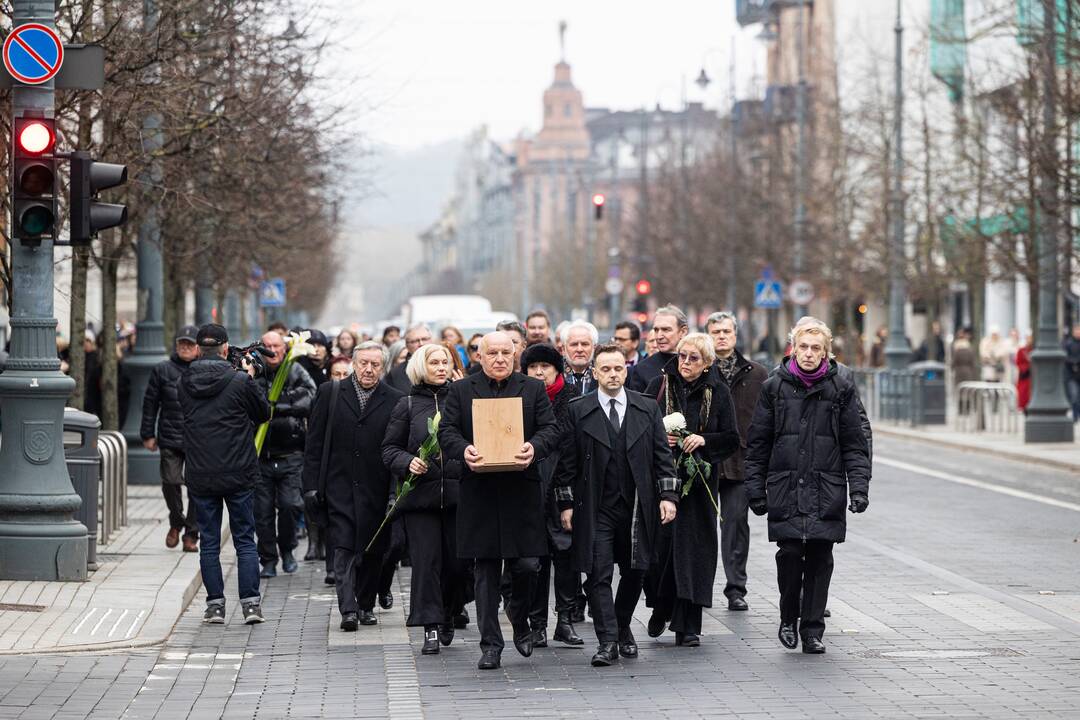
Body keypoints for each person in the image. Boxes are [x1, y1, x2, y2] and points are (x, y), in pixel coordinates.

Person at [745, 317, 871, 655]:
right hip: (785, 485)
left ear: (827, 354)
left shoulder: (840, 388)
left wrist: (859, 488)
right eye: (804, 347)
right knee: (788, 555)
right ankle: (789, 616)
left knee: (820, 557)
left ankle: (813, 629)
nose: (809, 354)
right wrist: (755, 489)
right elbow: (758, 442)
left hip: (825, 486)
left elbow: (854, 443)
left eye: (817, 349)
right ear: (793, 348)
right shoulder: (774, 387)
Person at [438, 331, 560, 670]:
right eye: (492, 352)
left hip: (521, 489)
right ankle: (490, 644)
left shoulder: (532, 388)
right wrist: (464, 451)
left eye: (507, 352)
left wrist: (533, 447)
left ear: (516, 354)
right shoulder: (461, 390)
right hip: (479, 491)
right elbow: (446, 431)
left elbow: (550, 430)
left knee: (526, 566)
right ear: (479, 355)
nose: (500, 358)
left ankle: (519, 621)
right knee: (486, 571)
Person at [555, 343, 680, 666]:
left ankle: (621, 625)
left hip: (638, 504)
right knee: (597, 574)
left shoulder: (646, 407)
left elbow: (661, 456)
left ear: (626, 370)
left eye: (618, 368)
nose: (613, 374)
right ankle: (608, 641)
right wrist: (566, 504)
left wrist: (668, 496)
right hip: (595, 505)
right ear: (595, 373)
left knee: (636, 569)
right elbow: (567, 462)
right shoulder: (578, 409)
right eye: (606, 369)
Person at [643, 333, 739, 646]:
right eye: (682, 356)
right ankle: (662, 603)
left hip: (699, 484)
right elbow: (640, 425)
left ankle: (688, 626)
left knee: (694, 553)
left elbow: (731, 437)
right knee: (662, 550)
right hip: (663, 479)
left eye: (694, 358)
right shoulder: (659, 386)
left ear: (707, 363)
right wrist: (661, 436)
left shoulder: (718, 391)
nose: (685, 363)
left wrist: (704, 441)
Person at [303, 341, 404, 630]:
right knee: (343, 546)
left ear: (383, 367)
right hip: (338, 485)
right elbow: (315, 444)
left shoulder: (395, 398)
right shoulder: (330, 393)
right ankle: (348, 609)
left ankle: (366, 604)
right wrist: (310, 485)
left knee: (373, 549)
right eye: (364, 363)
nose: (369, 369)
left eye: (375, 364)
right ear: (354, 364)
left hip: (377, 486)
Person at [178, 324, 271, 625]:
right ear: (224, 348)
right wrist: (249, 377)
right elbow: (263, 414)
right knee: (244, 539)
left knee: (209, 541)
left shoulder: (184, 380)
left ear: (198, 347)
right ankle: (251, 605)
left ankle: (215, 605)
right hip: (238, 471)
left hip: (201, 472)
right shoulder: (239, 380)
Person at [381, 344, 467, 654]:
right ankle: (430, 626)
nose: (442, 367)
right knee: (427, 563)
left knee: (458, 566)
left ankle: (448, 611)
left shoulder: (462, 399)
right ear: (421, 366)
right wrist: (407, 462)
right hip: (421, 500)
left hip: (459, 498)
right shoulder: (406, 405)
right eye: (435, 362)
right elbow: (389, 449)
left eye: (446, 362)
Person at [520, 343, 583, 648]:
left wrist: (568, 497)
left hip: (563, 485)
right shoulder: (520, 398)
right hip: (530, 485)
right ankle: (537, 624)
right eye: (533, 367)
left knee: (566, 555)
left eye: (546, 366)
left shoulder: (572, 400)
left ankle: (566, 620)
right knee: (535, 560)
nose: (539, 372)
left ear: (558, 369)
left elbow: (574, 450)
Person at [705, 311, 768, 612]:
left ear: (735, 335)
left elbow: (766, 417)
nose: (721, 336)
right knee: (701, 527)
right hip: (703, 460)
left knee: (735, 524)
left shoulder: (757, 373)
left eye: (726, 331)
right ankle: (699, 587)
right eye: (715, 332)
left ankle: (735, 588)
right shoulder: (698, 368)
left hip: (741, 461)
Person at [254, 331, 317, 578]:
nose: (272, 350)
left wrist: (276, 406)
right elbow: (249, 400)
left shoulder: (295, 370)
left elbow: (309, 398)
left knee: (291, 506)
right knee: (262, 511)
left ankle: (288, 550)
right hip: (261, 455)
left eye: (276, 346)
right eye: (267, 346)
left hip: (291, 452)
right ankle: (268, 558)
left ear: (285, 347)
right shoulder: (255, 371)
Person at [141, 325, 201, 552]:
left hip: (198, 439)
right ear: (176, 346)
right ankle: (177, 522)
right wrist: (147, 434)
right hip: (169, 437)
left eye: (190, 344)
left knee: (197, 488)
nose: (185, 347)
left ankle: (191, 534)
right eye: (181, 343)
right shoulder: (162, 370)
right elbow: (150, 404)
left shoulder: (204, 370)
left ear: (197, 348)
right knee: (171, 482)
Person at [628, 305, 688, 393]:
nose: (659, 336)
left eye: (666, 330)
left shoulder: (699, 364)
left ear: (683, 332)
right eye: (656, 330)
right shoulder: (642, 369)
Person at [388, 324, 433, 394]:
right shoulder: (396, 373)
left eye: (424, 339)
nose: (421, 344)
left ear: (431, 341)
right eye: (415, 341)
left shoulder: (444, 365)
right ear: (407, 345)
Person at [562, 320, 598, 394]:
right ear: (563, 349)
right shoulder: (555, 374)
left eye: (585, 344)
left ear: (594, 348)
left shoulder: (603, 372)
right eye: (574, 344)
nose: (579, 349)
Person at [1064, 324, 1080, 421]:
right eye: (1077, 331)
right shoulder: (1068, 343)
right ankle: (1075, 416)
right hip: (1071, 375)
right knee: (1074, 396)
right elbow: (1066, 357)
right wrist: (1074, 362)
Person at [1016, 333, 1034, 413]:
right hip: (1024, 375)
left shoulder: (1034, 350)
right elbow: (1018, 362)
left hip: (1032, 375)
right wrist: (1025, 368)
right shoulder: (1022, 350)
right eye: (1028, 338)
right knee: (1023, 393)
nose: (1029, 340)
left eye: (1030, 338)